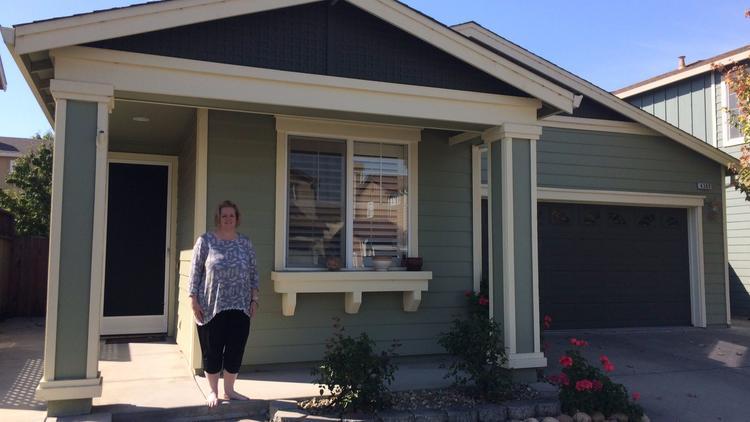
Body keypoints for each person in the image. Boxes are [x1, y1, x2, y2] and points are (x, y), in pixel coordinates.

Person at [188, 200, 260, 408]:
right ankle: (213, 391)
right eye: (224, 215)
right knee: (213, 349)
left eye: (232, 215)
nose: (228, 219)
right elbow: (194, 273)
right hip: (212, 305)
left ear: (237, 218)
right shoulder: (206, 241)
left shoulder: (245, 243)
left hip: (240, 305)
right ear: (218, 218)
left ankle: (229, 391)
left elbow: (254, 273)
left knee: (236, 348)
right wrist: (193, 300)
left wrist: (254, 299)